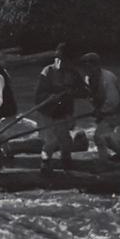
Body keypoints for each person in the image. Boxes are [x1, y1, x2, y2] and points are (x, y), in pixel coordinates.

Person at [34, 43, 87, 173]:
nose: (58, 63)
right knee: (51, 141)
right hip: (47, 112)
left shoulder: (73, 74)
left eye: (62, 60)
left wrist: (71, 92)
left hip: (63, 112)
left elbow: (83, 92)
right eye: (57, 59)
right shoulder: (47, 72)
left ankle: (67, 165)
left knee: (66, 142)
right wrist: (49, 96)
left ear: (69, 61)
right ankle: (44, 165)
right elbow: (37, 97)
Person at [79, 52, 120, 162]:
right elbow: (90, 96)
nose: (86, 70)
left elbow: (113, 101)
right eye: (85, 67)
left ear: (96, 66)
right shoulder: (88, 78)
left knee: (98, 137)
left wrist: (101, 111)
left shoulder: (107, 79)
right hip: (103, 111)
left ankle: (104, 162)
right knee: (106, 136)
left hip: (116, 111)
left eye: (89, 67)